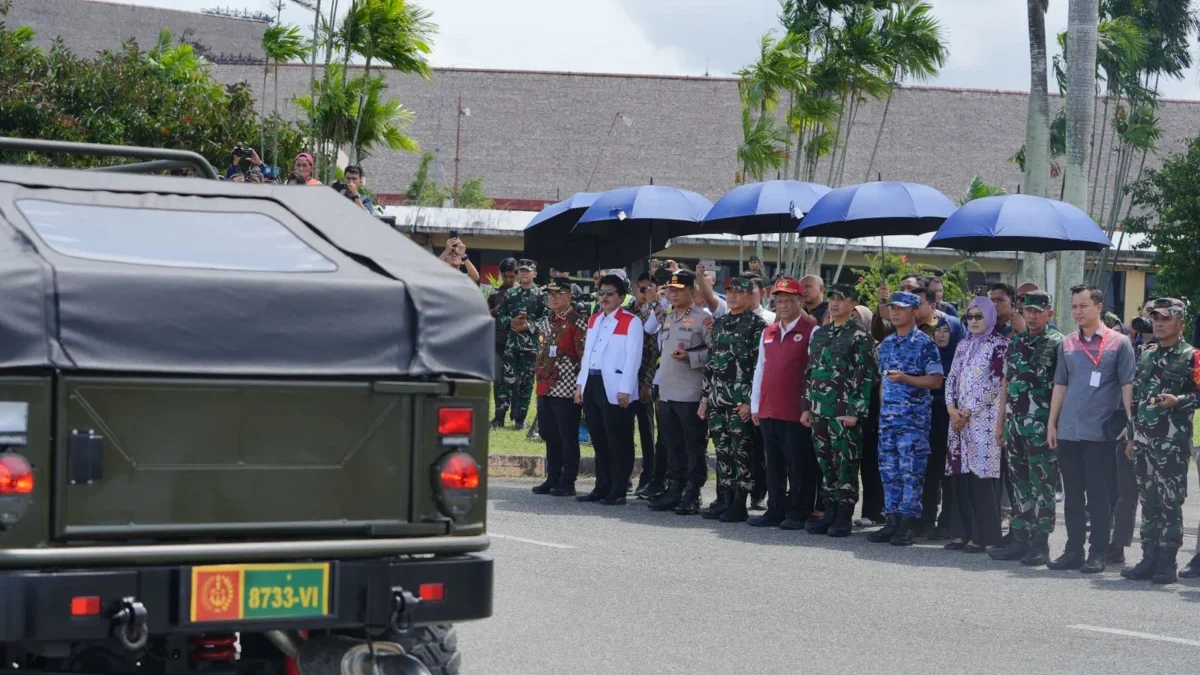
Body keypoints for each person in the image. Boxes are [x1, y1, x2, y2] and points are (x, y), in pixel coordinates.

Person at [1046, 284, 1136, 574]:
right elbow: (1060, 384)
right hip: (1069, 430)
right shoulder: (1067, 343)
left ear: (1098, 307)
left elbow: (1127, 385)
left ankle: (1098, 552)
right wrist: (1052, 423)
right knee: (1072, 495)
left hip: (1100, 432)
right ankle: (1073, 550)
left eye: (1083, 306)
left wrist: (1130, 424)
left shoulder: (1119, 343)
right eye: (1073, 307)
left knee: (1098, 495)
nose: (1077, 312)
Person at [1121, 298, 1199, 584]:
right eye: (1155, 318)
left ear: (1180, 323)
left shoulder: (1193, 356)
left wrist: (1179, 400)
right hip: (1143, 443)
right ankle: (1149, 558)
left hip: (1172, 447)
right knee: (1148, 503)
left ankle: (1167, 563)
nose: (1159, 323)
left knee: (1170, 504)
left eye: (1166, 318)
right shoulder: (1146, 355)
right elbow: (1137, 400)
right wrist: (1131, 436)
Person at [990, 291, 1062, 566]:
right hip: (1015, 425)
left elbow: (1061, 388)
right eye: (1027, 311)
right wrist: (1000, 424)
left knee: (1042, 486)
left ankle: (1039, 543)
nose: (1031, 316)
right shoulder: (1016, 342)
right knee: (1020, 486)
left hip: (1042, 428)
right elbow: (1006, 384)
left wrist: (1054, 424)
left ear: (1049, 314)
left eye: (1037, 311)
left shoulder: (1058, 344)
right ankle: (1019, 540)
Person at [868, 291, 945, 546]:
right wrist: (882, 411)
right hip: (888, 421)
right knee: (889, 471)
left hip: (912, 422)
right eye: (892, 308)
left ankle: (909, 524)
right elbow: (883, 382)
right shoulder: (887, 343)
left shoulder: (925, 343)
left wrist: (907, 379)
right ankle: (892, 520)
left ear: (914, 311)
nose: (895, 312)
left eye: (901, 308)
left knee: (911, 472)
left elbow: (935, 380)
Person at [802, 283, 876, 537]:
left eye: (841, 299)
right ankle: (829, 511)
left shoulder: (859, 336)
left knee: (845, 463)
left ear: (853, 304)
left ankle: (843, 514)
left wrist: (855, 411)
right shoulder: (821, 334)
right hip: (820, 410)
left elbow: (865, 376)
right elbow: (810, 372)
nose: (834, 303)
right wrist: (806, 406)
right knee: (825, 463)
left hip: (844, 412)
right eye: (832, 298)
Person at [750, 277, 820, 529]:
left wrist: (808, 406)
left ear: (801, 301)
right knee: (774, 464)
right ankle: (775, 509)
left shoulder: (812, 332)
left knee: (798, 463)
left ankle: (800, 510)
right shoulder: (768, 332)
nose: (783, 305)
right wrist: (756, 404)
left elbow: (814, 373)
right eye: (779, 300)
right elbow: (761, 368)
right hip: (769, 408)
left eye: (789, 300)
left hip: (795, 410)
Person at [942, 296, 1009, 553]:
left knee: (981, 479)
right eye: (969, 317)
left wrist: (967, 412)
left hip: (984, 421)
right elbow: (951, 380)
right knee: (960, 477)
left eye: (979, 316)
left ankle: (984, 535)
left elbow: (995, 384)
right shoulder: (963, 345)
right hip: (958, 422)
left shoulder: (1000, 345)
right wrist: (951, 409)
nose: (973, 321)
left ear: (990, 317)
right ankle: (962, 532)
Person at [698, 277, 767, 522]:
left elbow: (761, 368)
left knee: (743, 452)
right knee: (723, 451)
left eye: (739, 292)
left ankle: (741, 501)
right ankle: (725, 498)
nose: (734, 296)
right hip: (718, 400)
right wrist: (705, 398)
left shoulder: (757, 326)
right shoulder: (720, 324)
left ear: (750, 296)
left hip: (740, 402)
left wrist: (751, 403)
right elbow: (711, 363)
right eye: (729, 291)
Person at [646, 270, 712, 515]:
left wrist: (692, 356)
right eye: (670, 290)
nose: (672, 294)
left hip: (691, 393)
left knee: (693, 445)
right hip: (668, 392)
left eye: (678, 290)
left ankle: (693, 493)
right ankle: (674, 488)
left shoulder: (702, 319)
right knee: (672, 443)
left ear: (691, 292)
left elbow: (716, 353)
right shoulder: (669, 318)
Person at [576, 274, 643, 505]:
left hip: (615, 386)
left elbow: (634, 359)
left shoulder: (630, 320)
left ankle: (618, 488)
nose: (604, 298)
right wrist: (580, 384)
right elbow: (588, 354)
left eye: (609, 294)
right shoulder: (594, 319)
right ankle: (601, 485)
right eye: (601, 293)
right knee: (598, 438)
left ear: (621, 297)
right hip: (593, 382)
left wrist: (625, 389)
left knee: (618, 439)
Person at [531, 279, 589, 497]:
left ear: (569, 296)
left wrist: (580, 386)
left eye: (558, 294)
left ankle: (568, 480)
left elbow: (583, 357)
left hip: (566, 388)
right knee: (549, 433)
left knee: (567, 436)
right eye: (550, 294)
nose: (553, 298)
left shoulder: (578, 322)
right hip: (545, 387)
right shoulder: (547, 321)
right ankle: (552, 476)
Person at [924, 314, 963, 540]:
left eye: (946, 330)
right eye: (937, 330)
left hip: (952, 425)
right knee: (930, 474)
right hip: (929, 425)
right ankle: (926, 518)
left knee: (949, 477)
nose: (940, 334)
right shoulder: (930, 356)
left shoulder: (960, 358)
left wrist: (937, 400)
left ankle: (948, 521)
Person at [496, 260, 547, 431]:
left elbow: (546, 319)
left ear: (534, 273)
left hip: (530, 347)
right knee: (506, 380)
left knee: (526, 383)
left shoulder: (541, 294)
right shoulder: (510, 294)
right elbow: (500, 315)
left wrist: (529, 326)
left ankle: (520, 419)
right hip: (511, 345)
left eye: (527, 271)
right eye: (521, 271)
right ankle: (499, 417)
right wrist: (510, 322)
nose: (524, 274)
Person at [630, 273, 662, 498]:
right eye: (642, 289)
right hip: (623, 378)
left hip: (643, 378)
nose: (645, 295)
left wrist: (647, 382)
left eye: (650, 290)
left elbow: (653, 352)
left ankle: (648, 476)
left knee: (646, 432)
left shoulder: (653, 314)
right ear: (634, 288)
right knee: (623, 430)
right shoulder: (624, 310)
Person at [488, 258, 518, 427]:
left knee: (516, 381)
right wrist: (498, 308)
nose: (509, 280)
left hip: (517, 344)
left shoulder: (522, 293)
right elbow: (486, 316)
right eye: (506, 276)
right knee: (498, 380)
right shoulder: (494, 294)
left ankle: (516, 417)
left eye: (512, 276)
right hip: (497, 342)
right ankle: (499, 417)